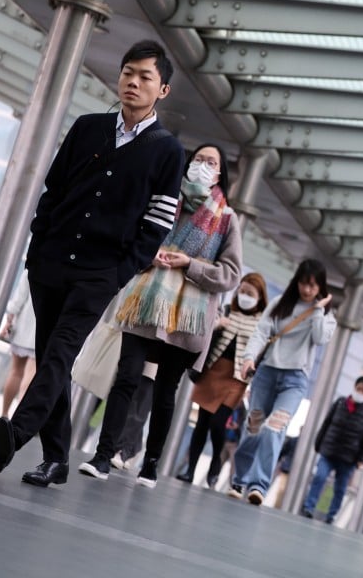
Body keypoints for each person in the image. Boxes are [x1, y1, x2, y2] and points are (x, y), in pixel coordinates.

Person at [0, 40, 185, 487]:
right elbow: (53, 190)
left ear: (163, 89)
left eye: (145, 76)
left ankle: (16, 433)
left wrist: (121, 271)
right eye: (127, 72)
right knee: (50, 353)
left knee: (60, 351)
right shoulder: (87, 127)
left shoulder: (167, 151)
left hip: (100, 272)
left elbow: (157, 220)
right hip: (52, 262)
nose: (132, 82)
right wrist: (37, 252)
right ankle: (56, 458)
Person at [79, 142, 242, 487]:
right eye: (198, 159)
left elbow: (230, 274)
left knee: (165, 391)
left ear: (220, 173)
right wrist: (148, 254)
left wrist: (191, 265)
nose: (203, 165)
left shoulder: (227, 219)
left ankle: (150, 464)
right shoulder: (165, 200)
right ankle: (103, 456)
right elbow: (131, 238)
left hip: (187, 317)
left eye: (211, 162)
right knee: (126, 377)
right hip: (145, 303)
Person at [228, 259, 336, 505]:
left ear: (320, 286)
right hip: (266, 374)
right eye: (303, 284)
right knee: (254, 429)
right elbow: (261, 333)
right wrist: (248, 358)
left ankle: (258, 486)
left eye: (312, 285)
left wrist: (319, 309)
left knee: (273, 429)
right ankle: (240, 479)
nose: (307, 290)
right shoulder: (280, 305)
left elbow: (320, 338)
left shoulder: (326, 316)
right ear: (296, 282)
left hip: (295, 380)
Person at [178, 272, 268, 487]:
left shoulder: (262, 323)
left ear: (260, 297)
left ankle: (216, 460)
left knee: (218, 424)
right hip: (213, 370)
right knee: (201, 423)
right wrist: (217, 325)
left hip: (237, 377)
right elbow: (207, 334)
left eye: (250, 293)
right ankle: (190, 470)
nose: (244, 295)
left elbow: (260, 352)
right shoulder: (227, 311)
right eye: (242, 291)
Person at [300, 375, 363, 523]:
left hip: (349, 458)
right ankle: (309, 507)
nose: (360, 392)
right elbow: (327, 423)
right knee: (319, 477)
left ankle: (331, 515)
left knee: (340, 488)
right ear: (354, 387)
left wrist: (362, 459)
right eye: (358, 388)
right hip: (329, 451)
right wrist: (318, 443)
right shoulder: (340, 403)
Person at [0, 272, 37, 418]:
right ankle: (18, 419)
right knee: (31, 376)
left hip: (23, 326)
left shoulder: (34, 264)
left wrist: (9, 321)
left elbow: (19, 298)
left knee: (15, 371)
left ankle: (4, 414)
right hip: (44, 330)